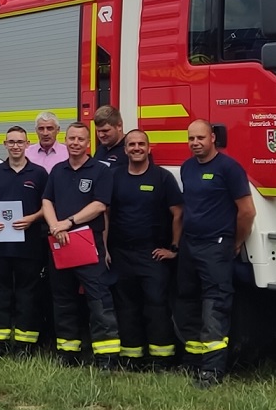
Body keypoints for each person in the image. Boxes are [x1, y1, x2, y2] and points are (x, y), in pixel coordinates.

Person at [176, 119, 254, 389]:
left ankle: (212, 370)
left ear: (212, 138)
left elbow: (247, 211)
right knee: (187, 303)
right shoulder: (187, 168)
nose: (195, 143)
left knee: (214, 307)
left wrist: (235, 241)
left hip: (216, 246)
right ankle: (192, 361)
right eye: (191, 139)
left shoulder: (229, 168)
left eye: (200, 138)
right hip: (190, 245)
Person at [42, 122, 122, 369]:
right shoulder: (58, 170)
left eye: (80, 139)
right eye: (71, 138)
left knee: (99, 300)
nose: (75, 143)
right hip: (60, 243)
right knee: (63, 299)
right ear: (65, 141)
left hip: (88, 244)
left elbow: (100, 205)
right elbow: (47, 200)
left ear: (88, 143)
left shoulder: (100, 170)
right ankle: (68, 353)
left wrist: (68, 223)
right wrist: (55, 226)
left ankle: (106, 356)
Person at [108, 129, 183, 371]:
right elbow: (105, 213)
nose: (136, 148)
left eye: (141, 144)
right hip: (121, 254)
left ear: (149, 148)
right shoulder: (114, 176)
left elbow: (178, 213)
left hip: (153, 255)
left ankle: (162, 359)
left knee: (156, 307)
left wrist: (174, 248)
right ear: (125, 149)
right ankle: (132, 358)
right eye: (131, 144)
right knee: (126, 308)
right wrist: (104, 248)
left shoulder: (162, 178)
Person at [0, 126, 48, 358]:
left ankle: (24, 345)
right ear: (5, 144)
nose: (16, 146)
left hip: (29, 246)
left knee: (26, 294)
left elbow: (47, 207)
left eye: (20, 142)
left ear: (28, 144)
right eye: (11, 142)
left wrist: (32, 218)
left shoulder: (39, 174)